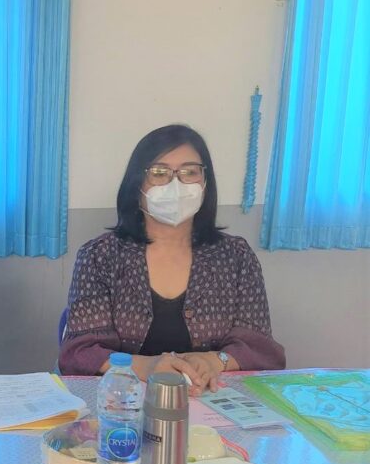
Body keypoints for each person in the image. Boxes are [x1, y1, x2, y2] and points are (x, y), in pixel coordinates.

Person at [58, 125, 285, 394]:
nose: (176, 185)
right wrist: (146, 366)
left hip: (212, 396)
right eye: (159, 173)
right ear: (137, 184)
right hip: (123, 401)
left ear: (205, 182)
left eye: (190, 172)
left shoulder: (236, 256)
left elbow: (261, 347)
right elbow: (80, 353)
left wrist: (214, 361)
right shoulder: (99, 256)